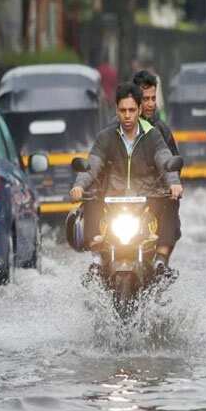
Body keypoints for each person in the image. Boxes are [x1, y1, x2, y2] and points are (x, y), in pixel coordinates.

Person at [70, 82, 183, 273]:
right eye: (123, 110)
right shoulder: (105, 137)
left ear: (139, 110)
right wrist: (79, 186)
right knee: (90, 199)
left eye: (132, 110)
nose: (127, 115)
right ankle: (97, 259)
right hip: (113, 201)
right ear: (116, 110)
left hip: (147, 199)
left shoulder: (153, 135)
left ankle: (161, 261)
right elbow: (92, 165)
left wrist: (174, 184)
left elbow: (165, 161)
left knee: (171, 203)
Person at [132, 69, 178, 155]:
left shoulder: (162, 130)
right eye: (146, 99)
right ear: (135, 98)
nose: (151, 104)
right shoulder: (121, 127)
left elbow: (175, 164)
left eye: (153, 98)